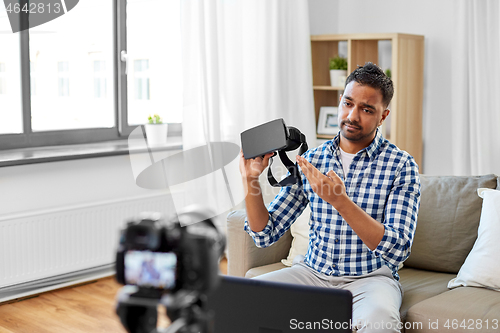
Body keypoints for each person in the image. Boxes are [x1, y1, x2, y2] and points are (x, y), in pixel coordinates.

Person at [239, 62, 420, 333]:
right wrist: (250, 180)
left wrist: (341, 202)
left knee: (380, 324)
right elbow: (266, 233)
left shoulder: (402, 166)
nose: (353, 115)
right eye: (348, 103)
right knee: (243, 301)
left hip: (371, 280)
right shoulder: (313, 159)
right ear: (340, 101)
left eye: (366, 109)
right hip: (311, 274)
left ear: (383, 116)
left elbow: (397, 249)